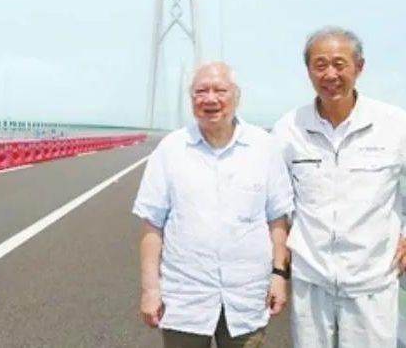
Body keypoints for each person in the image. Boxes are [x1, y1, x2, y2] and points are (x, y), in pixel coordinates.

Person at [133, 61, 294, 348]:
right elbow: (152, 224)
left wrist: (279, 275)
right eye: (200, 91)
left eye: (220, 90)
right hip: (185, 299)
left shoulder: (264, 147)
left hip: (246, 298)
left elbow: (277, 219)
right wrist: (150, 289)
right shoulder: (171, 149)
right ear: (191, 98)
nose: (210, 99)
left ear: (237, 96)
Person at [272, 26, 406, 348]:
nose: (330, 74)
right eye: (320, 65)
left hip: (372, 281)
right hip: (311, 282)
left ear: (359, 67)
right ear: (308, 71)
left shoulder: (394, 124)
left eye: (339, 64)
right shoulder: (289, 129)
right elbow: (273, 199)